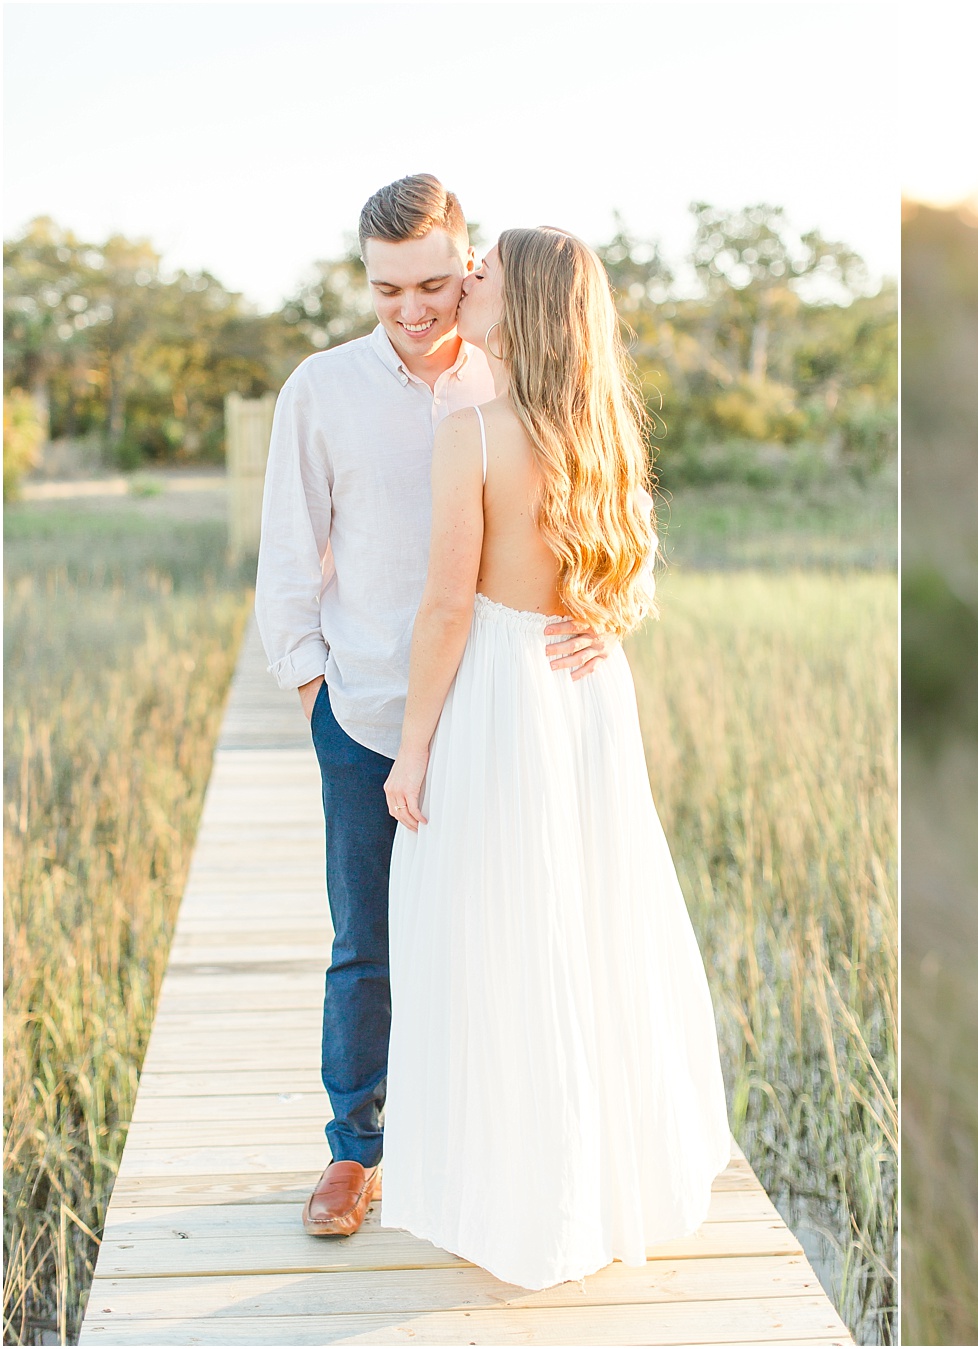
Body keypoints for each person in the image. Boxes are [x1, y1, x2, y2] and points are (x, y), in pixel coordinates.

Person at [256, 176, 615, 1238]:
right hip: (368, 710)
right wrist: (314, 684)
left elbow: (598, 514)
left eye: (430, 284)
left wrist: (606, 612)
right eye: (384, 290)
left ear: (468, 267)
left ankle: (480, 1139)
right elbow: (288, 550)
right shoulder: (320, 391)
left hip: (501, 714)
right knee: (366, 940)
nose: (411, 309)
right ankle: (354, 1153)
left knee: (498, 933)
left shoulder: (524, 378)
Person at [376, 226, 732, 1290]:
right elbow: (628, 573)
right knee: (585, 923)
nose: (466, 283)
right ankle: (583, 1179)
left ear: (521, 303)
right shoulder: (604, 427)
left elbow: (446, 605)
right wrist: (605, 621)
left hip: (498, 687)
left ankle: (523, 1192)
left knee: (489, 932)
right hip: (581, 690)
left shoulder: (473, 431)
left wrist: (412, 745)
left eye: (481, 274)